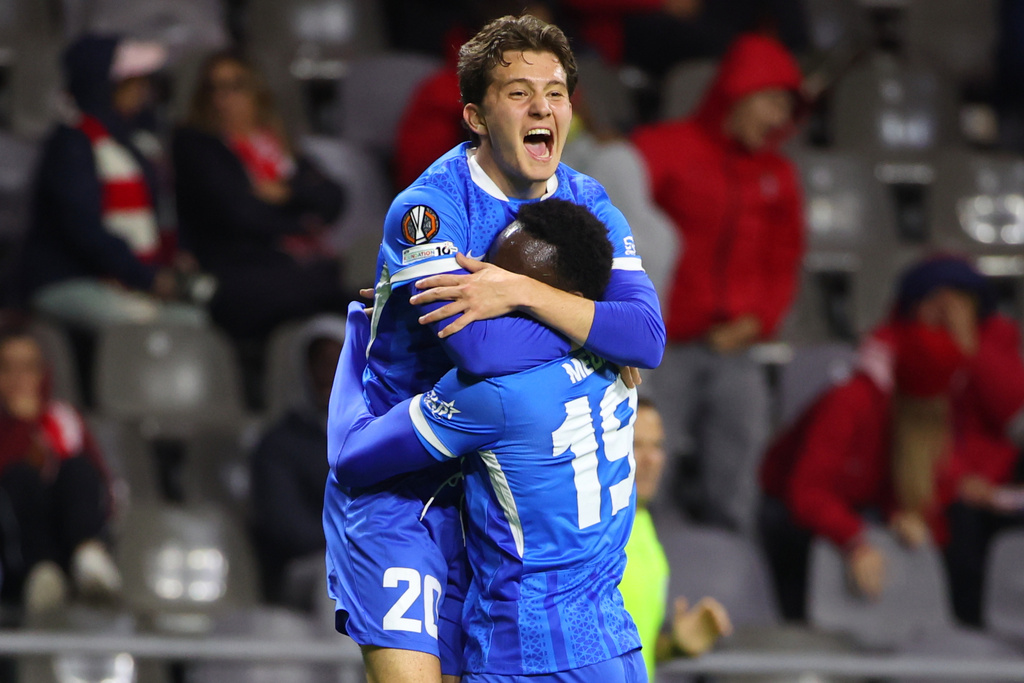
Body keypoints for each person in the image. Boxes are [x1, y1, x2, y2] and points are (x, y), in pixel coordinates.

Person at [323, 14, 666, 683]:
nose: (543, 106)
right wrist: (593, 330)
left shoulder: (589, 201)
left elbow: (647, 336)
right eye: (519, 92)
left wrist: (522, 293)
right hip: (400, 481)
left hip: (487, 488)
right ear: (477, 116)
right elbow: (480, 350)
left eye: (557, 91)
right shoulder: (430, 210)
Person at [330, 199, 646, 681]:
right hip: (616, 650)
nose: (478, 292)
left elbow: (352, 456)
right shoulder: (622, 365)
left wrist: (361, 332)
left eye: (503, 287)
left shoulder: (493, 393)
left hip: (525, 654)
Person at [632, 33, 804, 534]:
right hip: (663, 344)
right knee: (645, 468)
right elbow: (621, 230)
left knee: (737, 470)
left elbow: (784, 259)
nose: (780, 118)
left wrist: (759, 320)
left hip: (736, 347)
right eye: (772, 101)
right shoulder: (664, 149)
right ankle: (641, 574)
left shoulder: (779, 175)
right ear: (739, 92)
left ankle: (732, 582)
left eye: (787, 107)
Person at [758, 316, 967, 621]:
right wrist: (855, 539)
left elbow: (920, 484)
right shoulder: (849, 402)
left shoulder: (923, 422)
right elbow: (805, 492)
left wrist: (904, 516)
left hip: (856, 507)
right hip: (791, 515)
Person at [859, 256, 1024, 626]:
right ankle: (965, 626)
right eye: (936, 300)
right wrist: (956, 480)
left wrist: (969, 346)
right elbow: (898, 428)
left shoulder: (996, 336)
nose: (945, 311)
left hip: (994, 473)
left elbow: (1011, 409)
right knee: (957, 520)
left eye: (958, 300)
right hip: (923, 473)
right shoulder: (889, 341)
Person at [19, 35, 204, 330]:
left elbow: (160, 213)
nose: (143, 91)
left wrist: (179, 253)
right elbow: (84, 229)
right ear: (104, 85)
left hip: (128, 278)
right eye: (133, 83)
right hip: (70, 278)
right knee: (147, 324)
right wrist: (147, 278)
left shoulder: (134, 142)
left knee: (192, 320)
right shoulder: (71, 145)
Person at [173, 50, 348, 341]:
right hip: (235, 273)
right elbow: (240, 214)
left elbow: (335, 197)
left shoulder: (277, 147)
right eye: (213, 89)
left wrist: (288, 193)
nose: (222, 99)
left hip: (293, 269)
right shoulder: (198, 146)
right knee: (321, 295)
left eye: (234, 87)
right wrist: (303, 221)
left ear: (255, 91)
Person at [0, 326, 121, 617]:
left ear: (43, 373)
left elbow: (101, 483)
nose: (19, 379)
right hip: (15, 553)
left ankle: (89, 559)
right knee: (21, 477)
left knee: (77, 468)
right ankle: (42, 573)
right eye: (7, 368)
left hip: (69, 536)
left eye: (29, 368)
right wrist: (23, 426)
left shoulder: (65, 418)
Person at [618, 397, 733, 679]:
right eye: (635, 445)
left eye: (657, 446)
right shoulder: (584, 535)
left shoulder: (643, 524)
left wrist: (674, 646)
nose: (651, 459)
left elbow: (632, 646)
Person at [249, 315, 345, 606]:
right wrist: (353, 543)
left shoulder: (378, 436)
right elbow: (286, 525)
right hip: (305, 567)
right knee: (343, 578)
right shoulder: (279, 444)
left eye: (338, 363)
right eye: (322, 364)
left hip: (371, 557)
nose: (329, 375)